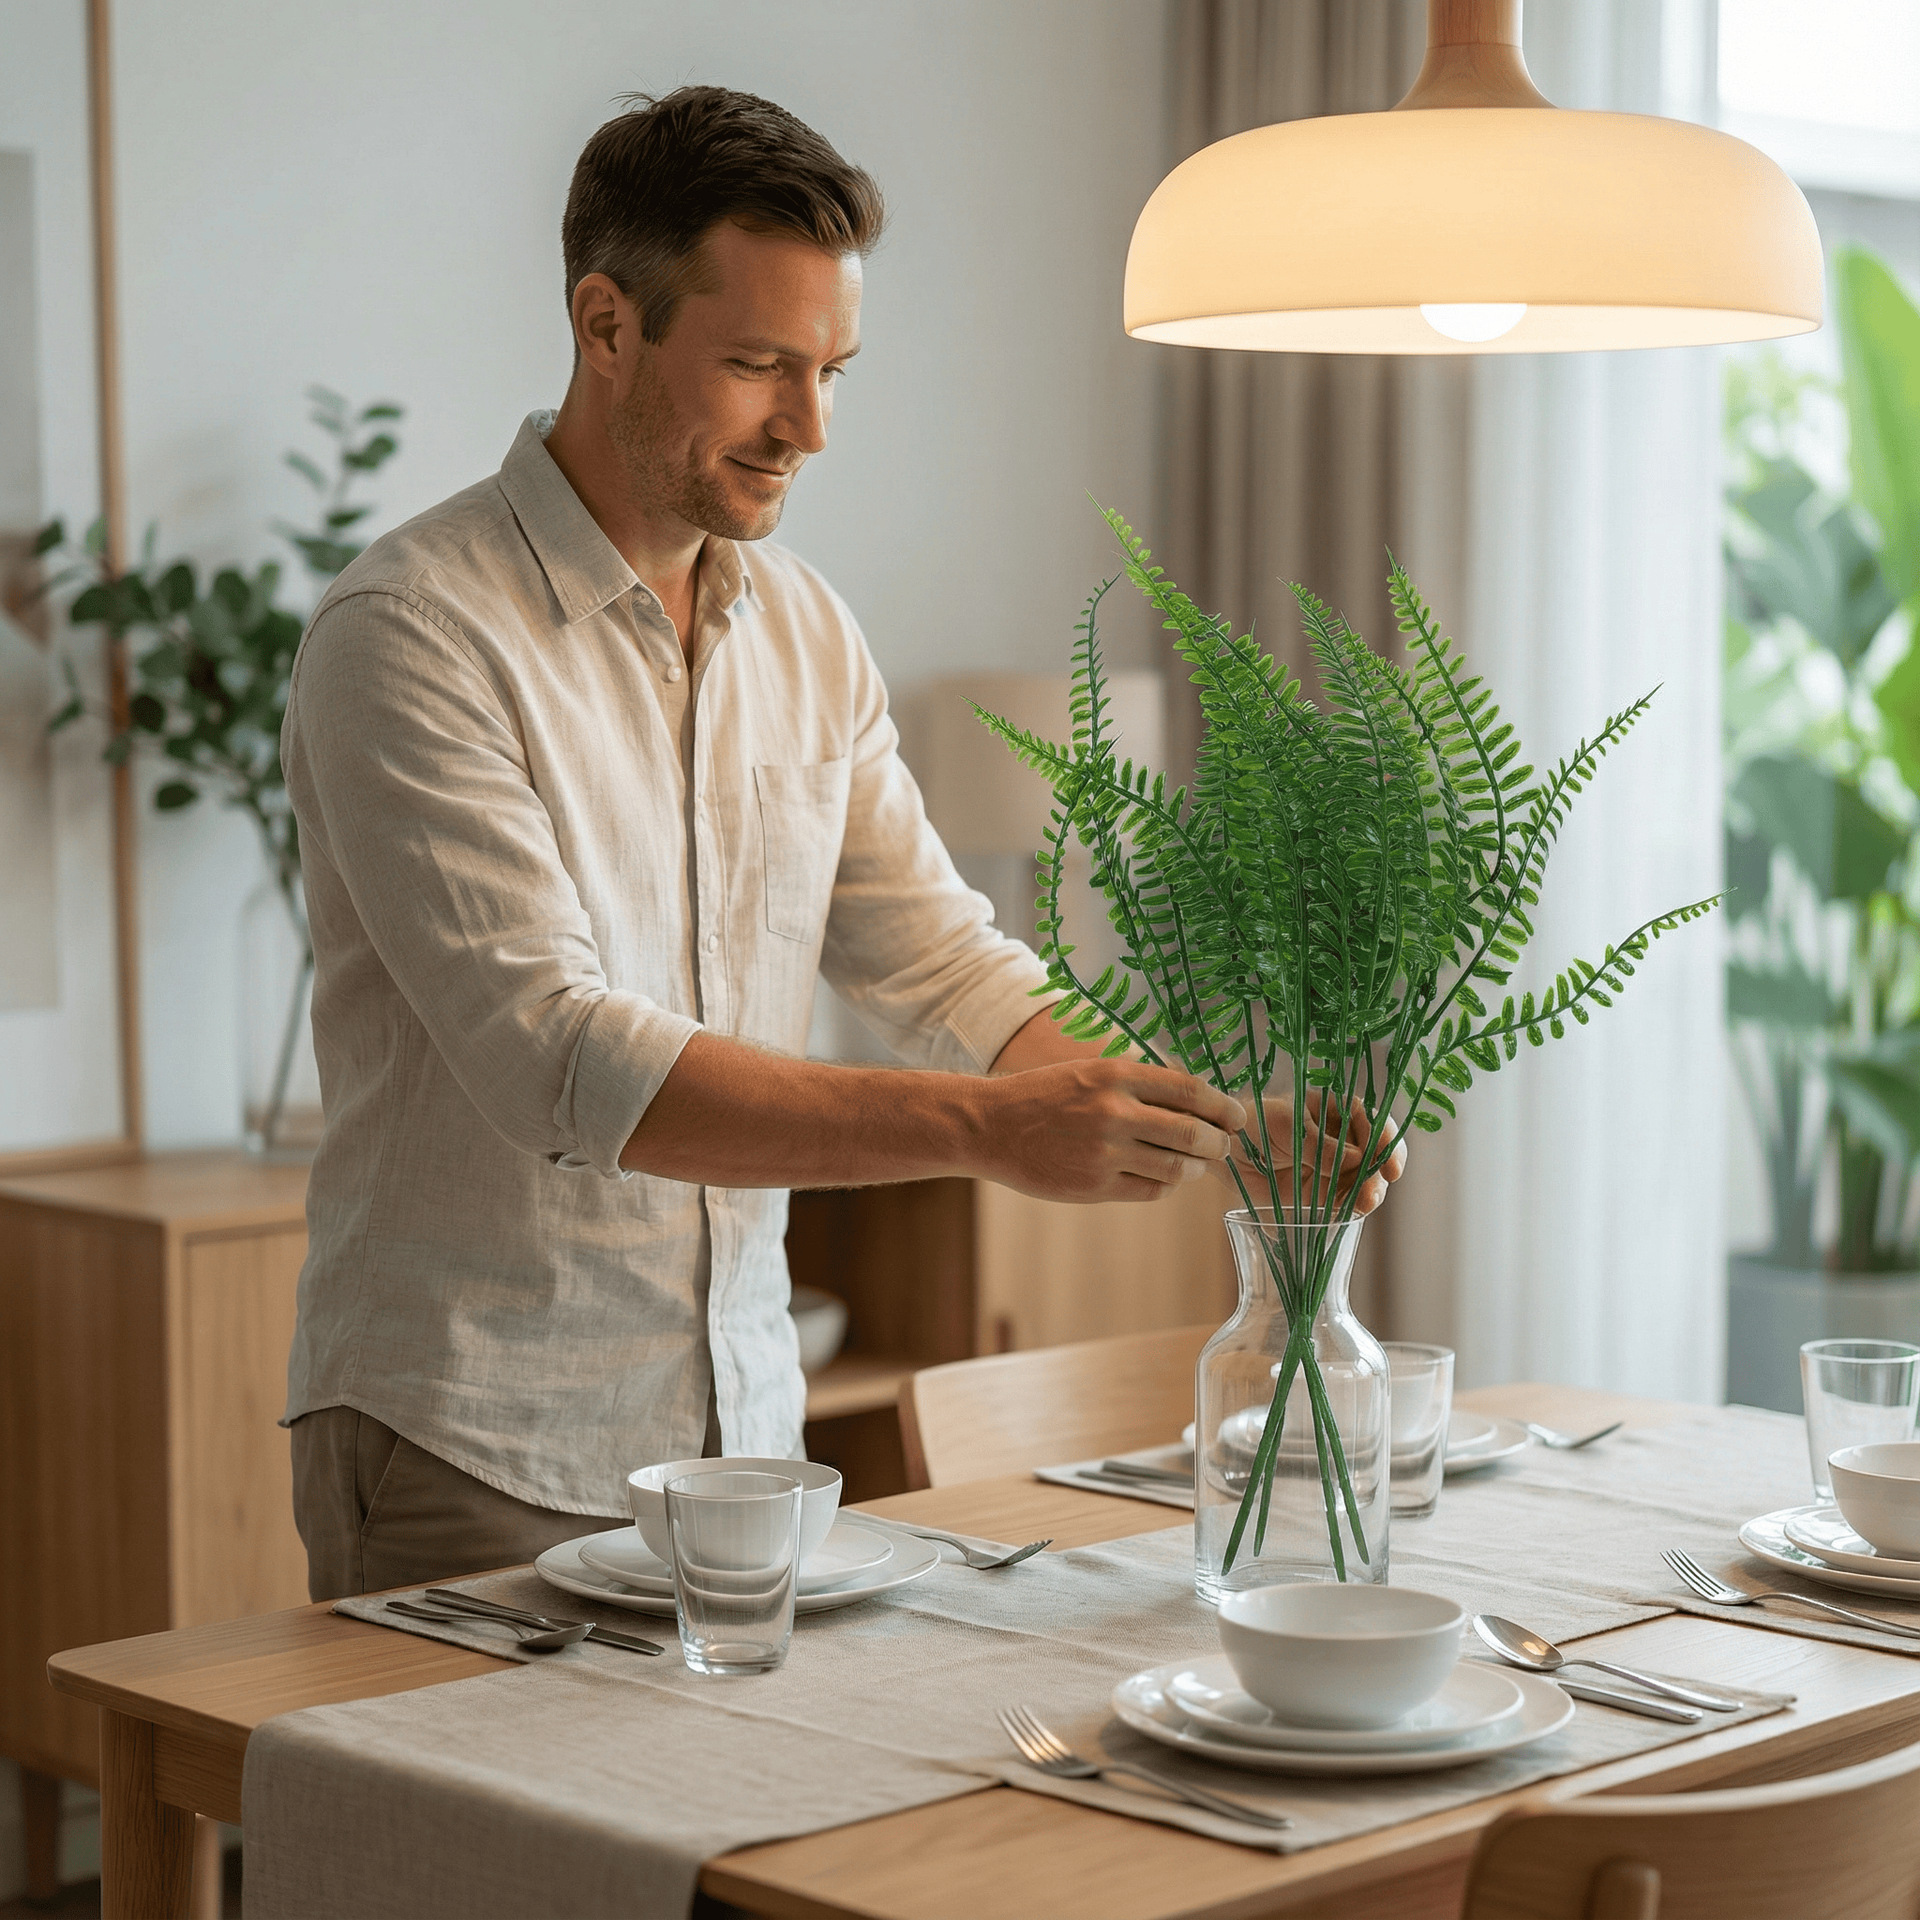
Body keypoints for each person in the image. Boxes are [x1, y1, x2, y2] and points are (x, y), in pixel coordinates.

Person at [279, 85, 1399, 1601]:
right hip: (475, 1443)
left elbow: (944, 961)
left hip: (744, 1435)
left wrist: (1214, 1126)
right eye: (758, 367)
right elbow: (555, 1058)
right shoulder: (411, 632)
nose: (809, 428)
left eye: (831, 369)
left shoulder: (801, 629)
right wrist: (987, 1134)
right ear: (605, 326)